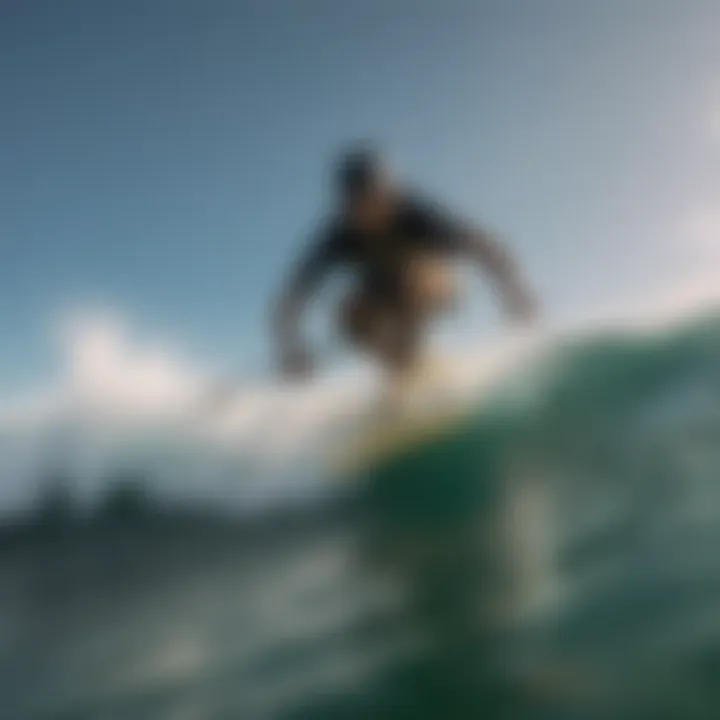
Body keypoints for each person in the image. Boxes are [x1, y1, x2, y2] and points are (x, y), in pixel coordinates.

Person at [272, 146, 537, 390]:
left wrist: (515, 294)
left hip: (434, 283)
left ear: (388, 192)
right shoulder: (339, 236)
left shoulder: (415, 215)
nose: (369, 211)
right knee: (350, 314)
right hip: (385, 300)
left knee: (409, 277)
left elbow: (483, 246)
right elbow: (291, 298)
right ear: (347, 206)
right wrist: (292, 350)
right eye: (359, 205)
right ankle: (404, 373)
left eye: (376, 198)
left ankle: (418, 360)